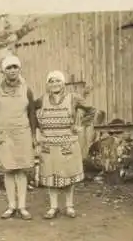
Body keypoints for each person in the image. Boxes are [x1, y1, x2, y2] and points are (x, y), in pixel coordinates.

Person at [35, 70, 96, 219]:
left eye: (58, 81)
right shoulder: (41, 100)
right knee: (51, 177)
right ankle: (53, 207)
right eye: (51, 81)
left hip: (68, 144)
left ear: (63, 83)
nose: (54, 84)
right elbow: (30, 113)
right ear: (47, 84)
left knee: (68, 176)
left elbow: (91, 111)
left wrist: (81, 125)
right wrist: (38, 129)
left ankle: (69, 206)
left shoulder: (73, 98)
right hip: (49, 145)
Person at [0, 55, 38, 220]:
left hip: (22, 133)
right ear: (4, 71)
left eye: (15, 67)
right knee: (8, 170)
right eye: (9, 68)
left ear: (19, 69)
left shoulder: (27, 89)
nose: (12, 70)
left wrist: (33, 135)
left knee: (21, 170)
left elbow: (31, 114)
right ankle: (11, 206)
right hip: (3, 134)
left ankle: (22, 207)